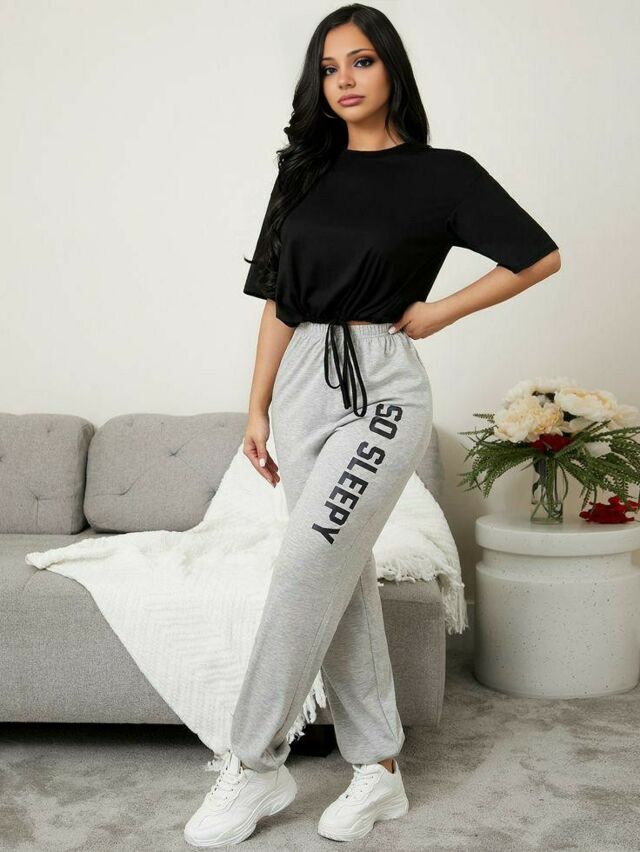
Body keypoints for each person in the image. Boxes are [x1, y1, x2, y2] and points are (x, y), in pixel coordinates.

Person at [184, 3, 561, 847]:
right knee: (336, 576)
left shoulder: (444, 174)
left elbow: (539, 255)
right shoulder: (303, 172)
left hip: (382, 387)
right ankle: (379, 771)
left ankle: (253, 761)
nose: (344, 80)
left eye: (361, 61)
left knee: (304, 564)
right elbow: (279, 300)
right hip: (300, 387)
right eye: (329, 68)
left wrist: (438, 312)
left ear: (392, 68)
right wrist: (257, 404)